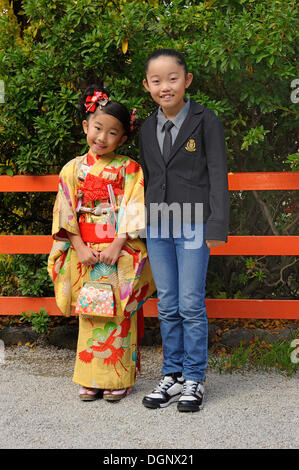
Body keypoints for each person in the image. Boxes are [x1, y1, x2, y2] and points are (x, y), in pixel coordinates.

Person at [48, 85, 155, 402]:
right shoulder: (72, 168)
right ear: (86, 126)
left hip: (118, 251)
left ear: (122, 139)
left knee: (118, 312)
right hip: (85, 250)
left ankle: (119, 376)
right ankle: (91, 377)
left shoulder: (129, 168)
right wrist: (79, 246)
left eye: (112, 133)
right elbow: (65, 209)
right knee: (91, 311)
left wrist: (117, 244)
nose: (102, 138)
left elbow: (135, 207)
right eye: (97, 128)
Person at [139, 49, 229, 412]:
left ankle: (194, 378)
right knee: (167, 304)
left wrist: (217, 224)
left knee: (191, 303)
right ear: (147, 86)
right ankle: (172, 375)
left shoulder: (206, 121)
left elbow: (219, 176)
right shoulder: (146, 127)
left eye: (172, 78)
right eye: (156, 80)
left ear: (187, 80)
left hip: (193, 221)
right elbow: (148, 176)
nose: (165, 86)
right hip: (158, 222)